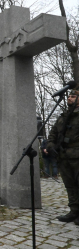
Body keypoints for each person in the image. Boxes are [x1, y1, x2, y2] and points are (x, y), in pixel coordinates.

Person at [47, 89, 79, 225]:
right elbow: (53, 133)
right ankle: (74, 211)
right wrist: (50, 145)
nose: (69, 98)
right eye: (69, 96)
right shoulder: (62, 117)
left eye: (73, 96)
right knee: (70, 185)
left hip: (77, 155)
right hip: (63, 156)